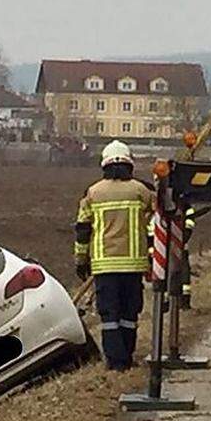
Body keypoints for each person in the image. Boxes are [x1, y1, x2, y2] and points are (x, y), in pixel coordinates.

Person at [75, 140, 155, 370]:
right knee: (129, 313)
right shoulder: (140, 191)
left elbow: (82, 229)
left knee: (109, 316)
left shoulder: (92, 193)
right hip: (134, 265)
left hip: (104, 266)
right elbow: (157, 209)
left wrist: (81, 261)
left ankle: (115, 361)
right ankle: (127, 357)